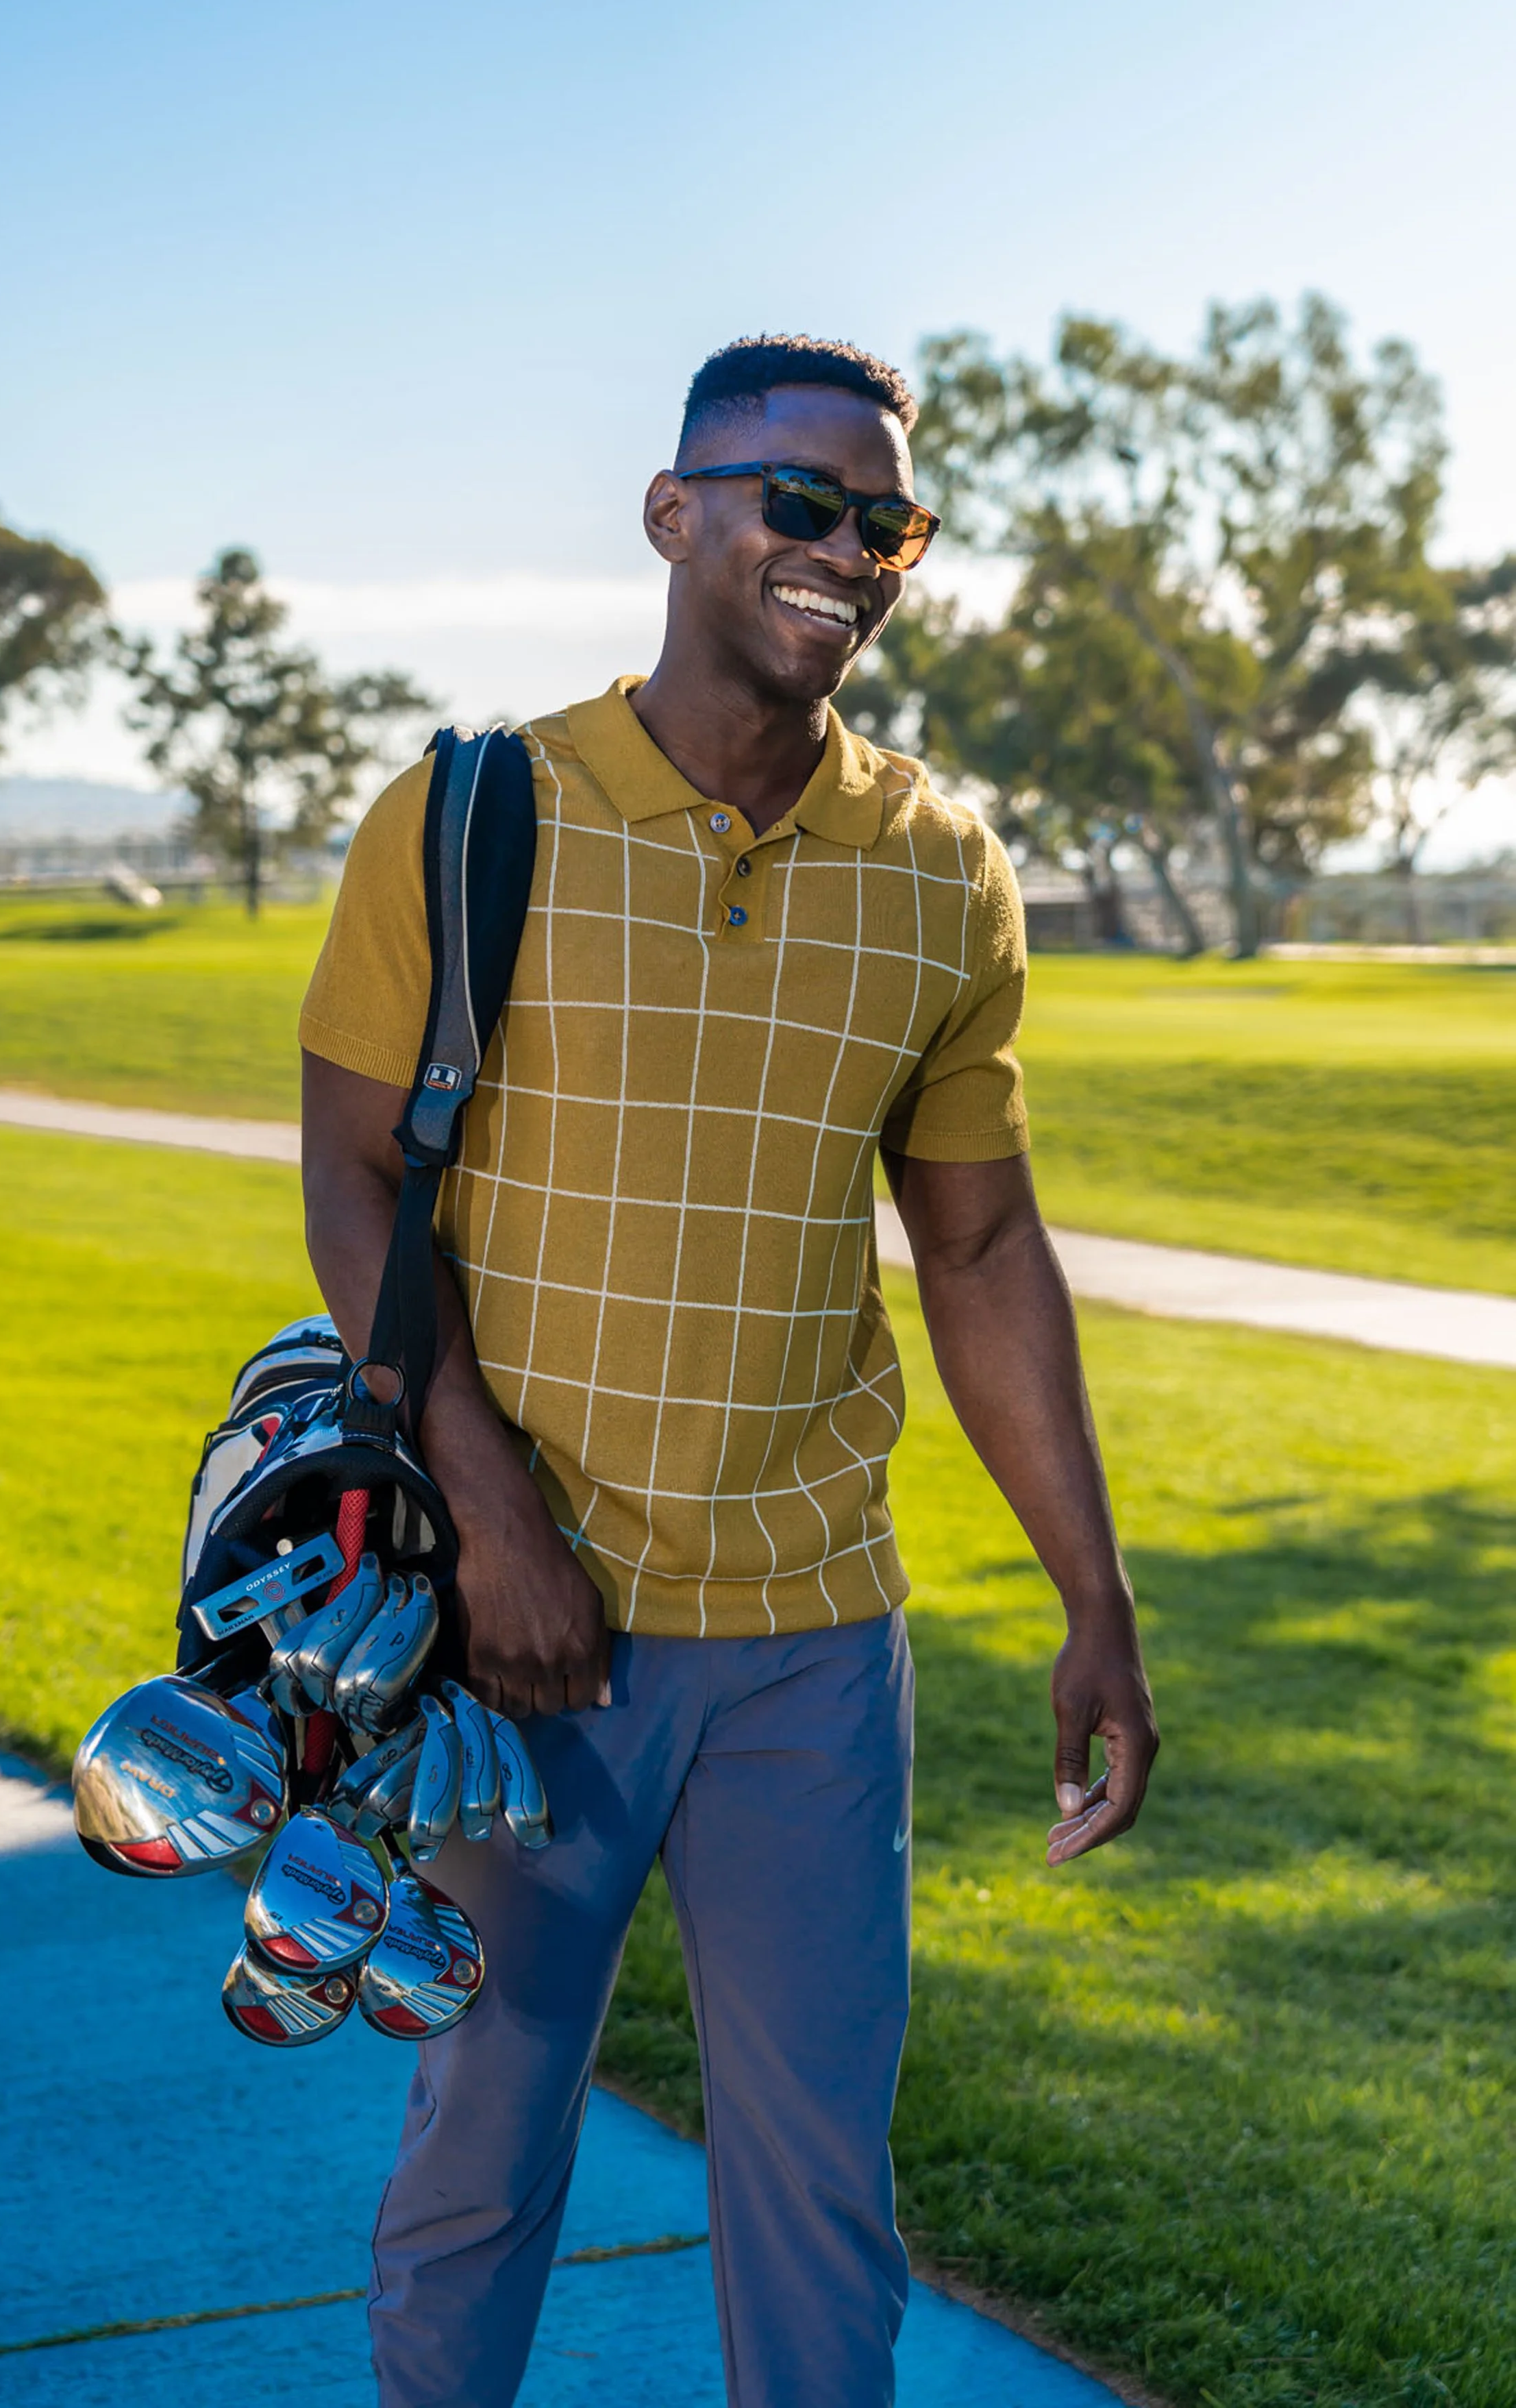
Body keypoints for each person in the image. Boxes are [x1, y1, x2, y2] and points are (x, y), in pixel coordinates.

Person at [298, 334, 1159, 2408]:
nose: (843, 552)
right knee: (480, 2157)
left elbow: (973, 1242)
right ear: (675, 512)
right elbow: (350, 1169)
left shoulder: (940, 870)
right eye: (799, 502)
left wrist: (1093, 1595)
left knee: (815, 2187)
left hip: (809, 1636)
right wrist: (489, 1511)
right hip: (526, 1639)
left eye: (886, 521)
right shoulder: (470, 811)